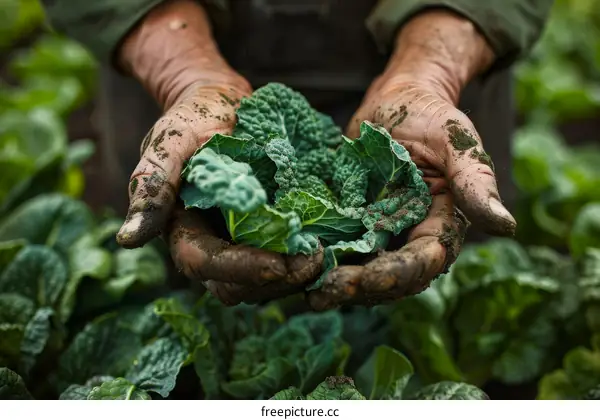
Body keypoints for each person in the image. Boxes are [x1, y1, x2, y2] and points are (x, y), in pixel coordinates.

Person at [40, 0, 553, 310]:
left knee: (432, 292)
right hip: (169, 72)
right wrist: (183, 74)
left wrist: (430, 71)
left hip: (444, 71)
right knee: (177, 286)